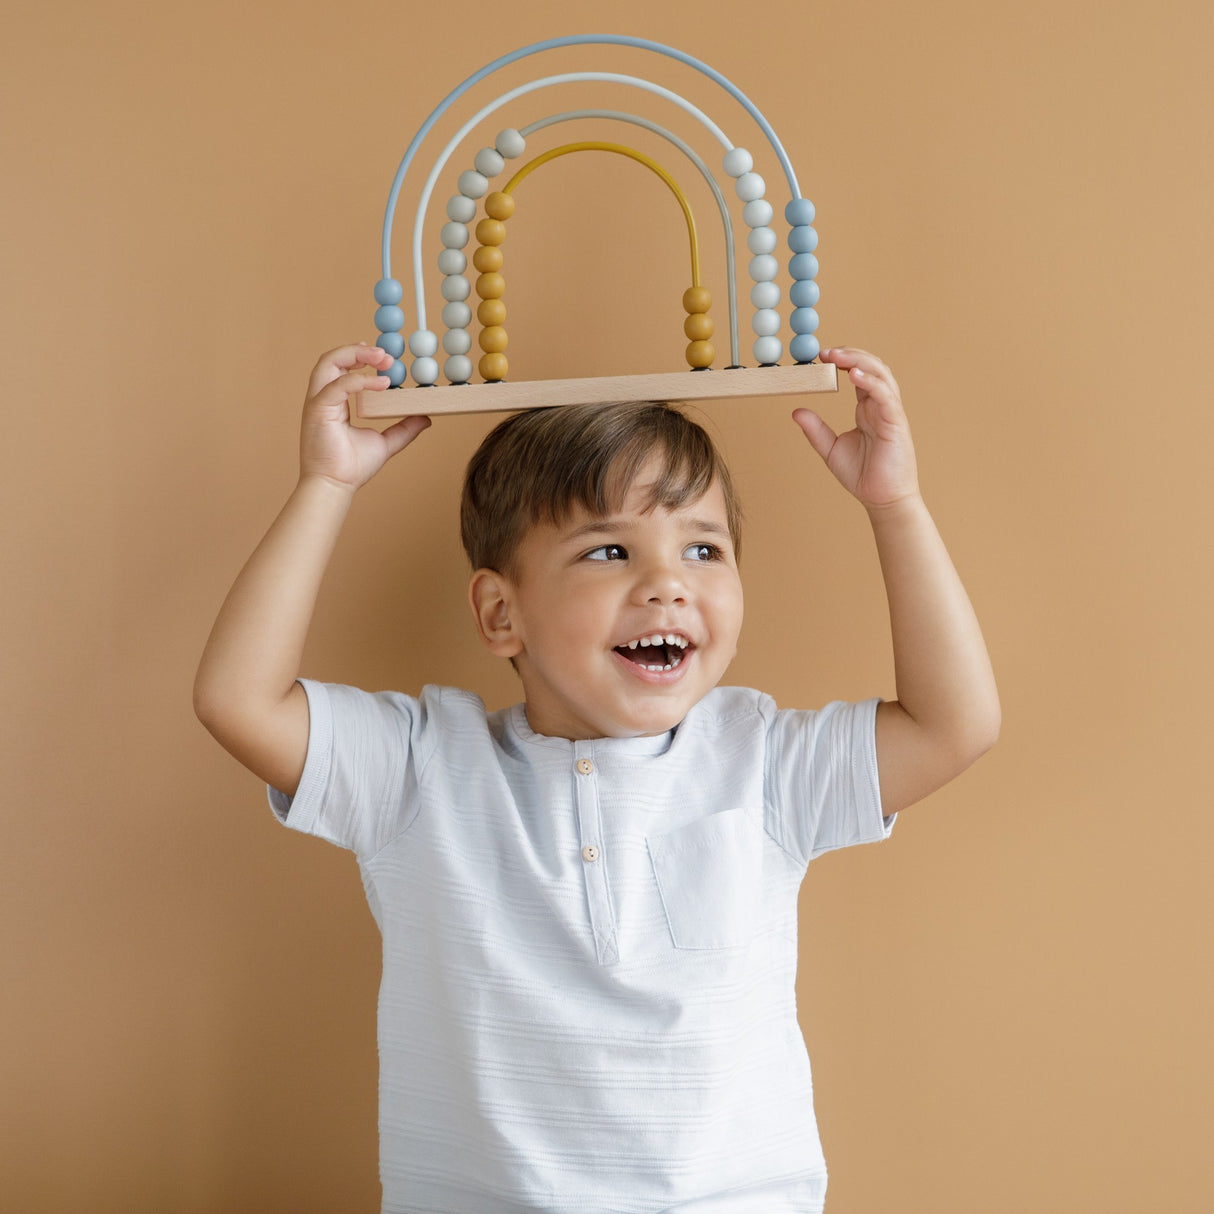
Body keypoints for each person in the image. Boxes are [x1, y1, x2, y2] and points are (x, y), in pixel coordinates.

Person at [194, 341, 999, 1213]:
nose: (667, 586)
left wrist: (897, 505)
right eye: (609, 553)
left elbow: (953, 724)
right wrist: (326, 486)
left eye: (703, 550)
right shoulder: (423, 772)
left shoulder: (762, 763)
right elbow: (239, 699)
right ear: (502, 613)